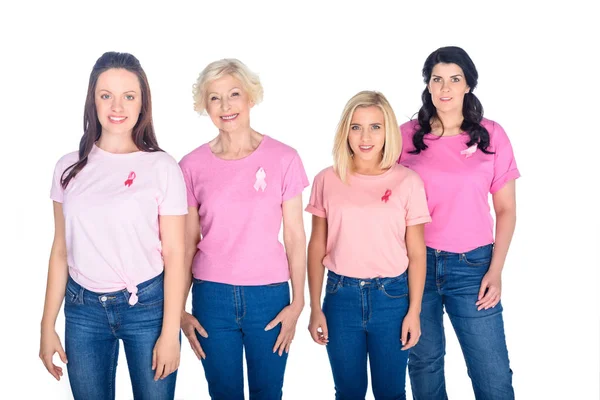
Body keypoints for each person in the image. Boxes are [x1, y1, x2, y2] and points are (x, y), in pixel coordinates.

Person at [39, 51, 188, 400]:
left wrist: (169, 333)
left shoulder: (163, 168)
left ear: (142, 104)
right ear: (93, 101)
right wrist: (47, 326)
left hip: (148, 309)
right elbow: (61, 250)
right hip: (83, 311)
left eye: (128, 96)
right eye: (106, 95)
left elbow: (176, 254)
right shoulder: (68, 167)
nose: (117, 106)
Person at [179, 58, 308, 400]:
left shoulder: (285, 158)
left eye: (234, 94)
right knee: (223, 393)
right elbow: (187, 243)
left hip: (269, 296)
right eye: (215, 98)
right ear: (204, 106)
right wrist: (178, 310)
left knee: (269, 392)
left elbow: (295, 236)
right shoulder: (190, 166)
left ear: (251, 97)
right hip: (212, 297)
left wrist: (299, 302)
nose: (226, 106)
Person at [399, 46, 519, 399]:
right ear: (428, 85)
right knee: (424, 365)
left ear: (469, 85)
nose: (445, 88)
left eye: (455, 79)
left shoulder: (492, 134)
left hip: (473, 267)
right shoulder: (405, 135)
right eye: (437, 79)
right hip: (415, 264)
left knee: (492, 372)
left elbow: (507, 209)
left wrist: (495, 270)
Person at [306, 91, 430, 400]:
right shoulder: (327, 179)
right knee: (348, 392)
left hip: (392, 299)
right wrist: (314, 307)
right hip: (340, 298)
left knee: (390, 392)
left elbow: (416, 252)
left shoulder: (408, 181)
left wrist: (414, 312)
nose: (365, 137)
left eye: (375, 127)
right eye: (356, 126)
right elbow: (317, 245)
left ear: (387, 131)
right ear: (345, 130)